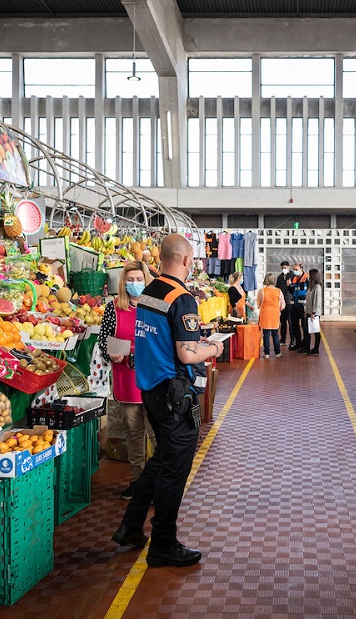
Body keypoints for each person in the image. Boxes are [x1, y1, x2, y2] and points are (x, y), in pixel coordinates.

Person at [112, 234, 223, 567]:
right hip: (175, 397)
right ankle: (163, 544)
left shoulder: (148, 293)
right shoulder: (182, 298)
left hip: (150, 391)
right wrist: (214, 347)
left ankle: (131, 526)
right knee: (174, 471)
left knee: (160, 460)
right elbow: (187, 353)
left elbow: (161, 338)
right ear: (187, 261)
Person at [98, 260, 157, 498]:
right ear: (123, 283)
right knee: (133, 434)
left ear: (146, 280)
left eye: (139, 279)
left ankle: (159, 485)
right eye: (130, 280)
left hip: (153, 380)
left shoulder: (155, 306)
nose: (135, 284)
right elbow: (105, 339)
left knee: (156, 434)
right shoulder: (114, 307)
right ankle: (139, 483)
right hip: (126, 380)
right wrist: (112, 352)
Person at [256, 273, 285, 358]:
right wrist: (278, 309)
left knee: (266, 334)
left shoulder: (262, 291)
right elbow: (282, 305)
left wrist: (260, 307)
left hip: (265, 314)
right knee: (275, 334)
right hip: (275, 314)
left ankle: (267, 353)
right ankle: (277, 352)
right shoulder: (278, 291)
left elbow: (258, 303)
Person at [288, 262, 309, 352]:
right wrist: (289, 286)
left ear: (301, 269)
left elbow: (309, 291)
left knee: (304, 326)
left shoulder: (307, 278)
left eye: (296, 269)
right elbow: (293, 291)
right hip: (294, 305)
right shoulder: (294, 278)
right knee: (294, 325)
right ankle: (298, 343)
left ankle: (305, 345)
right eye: (294, 269)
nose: (295, 271)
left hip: (303, 306)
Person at [303, 268, 323, 355]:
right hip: (309, 312)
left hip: (314, 313)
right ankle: (307, 348)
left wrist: (314, 313)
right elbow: (308, 301)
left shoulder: (317, 287)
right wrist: (307, 311)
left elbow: (316, 301)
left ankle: (316, 349)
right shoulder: (311, 286)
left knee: (315, 331)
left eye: (310, 275)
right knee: (306, 330)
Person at [275, 261, 292, 345]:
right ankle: (283, 339)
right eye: (282, 268)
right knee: (283, 321)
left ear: (288, 267)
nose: (283, 269)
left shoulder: (293, 276)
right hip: (282, 302)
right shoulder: (279, 278)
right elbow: (277, 289)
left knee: (291, 321)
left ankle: (293, 339)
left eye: (285, 268)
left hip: (290, 301)